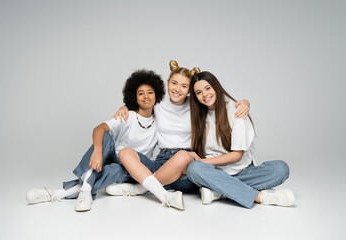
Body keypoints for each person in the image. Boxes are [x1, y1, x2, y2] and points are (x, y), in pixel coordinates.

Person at [105, 61, 251, 210]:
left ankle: (140, 189)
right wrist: (125, 107)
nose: (177, 89)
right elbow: (142, 102)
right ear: (167, 83)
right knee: (125, 152)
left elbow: (217, 103)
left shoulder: (196, 105)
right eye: (174, 83)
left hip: (186, 167)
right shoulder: (158, 102)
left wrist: (244, 103)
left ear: (190, 90)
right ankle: (163, 192)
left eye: (184, 86)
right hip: (161, 163)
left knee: (183, 155)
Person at [26, 69, 166, 212]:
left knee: (114, 170)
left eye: (150, 92)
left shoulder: (161, 121)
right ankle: (85, 189)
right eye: (140, 93)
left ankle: (56, 193)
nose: (146, 96)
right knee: (106, 137)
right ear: (134, 98)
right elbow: (99, 128)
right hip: (117, 160)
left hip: (139, 169)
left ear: (157, 95)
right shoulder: (127, 116)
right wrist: (98, 151)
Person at [180, 71, 295, 208]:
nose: (205, 95)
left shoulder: (236, 110)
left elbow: (237, 155)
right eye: (198, 92)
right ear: (195, 97)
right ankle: (259, 197)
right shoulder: (198, 117)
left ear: (216, 87)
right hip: (214, 173)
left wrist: (203, 161)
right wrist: (201, 164)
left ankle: (219, 191)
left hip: (243, 171)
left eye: (208, 88)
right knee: (194, 169)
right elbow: (176, 96)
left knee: (280, 168)